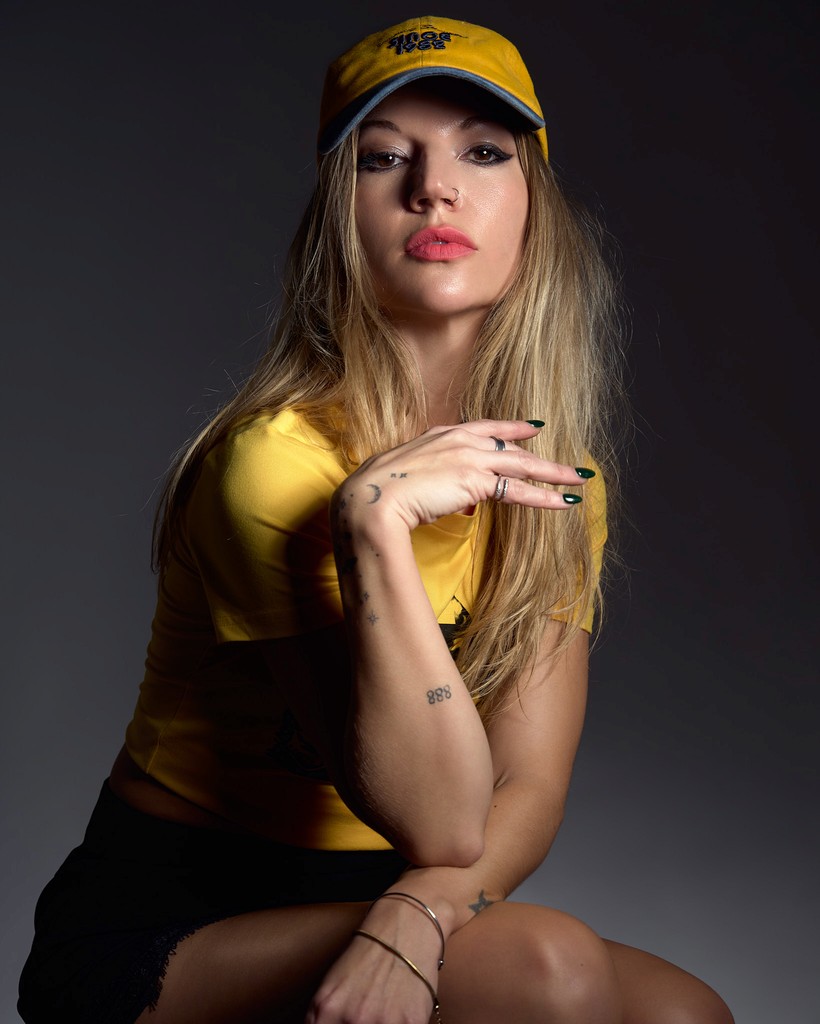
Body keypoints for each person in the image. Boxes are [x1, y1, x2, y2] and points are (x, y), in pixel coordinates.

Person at [18, 15, 734, 1024]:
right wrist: (372, 524)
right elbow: (445, 824)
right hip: (172, 921)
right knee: (548, 967)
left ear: (534, 206)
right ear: (338, 219)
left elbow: (527, 789)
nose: (433, 188)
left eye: (482, 153)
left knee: (685, 1013)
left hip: (381, 888)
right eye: (383, 159)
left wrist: (416, 913)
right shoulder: (271, 463)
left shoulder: (558, 485)